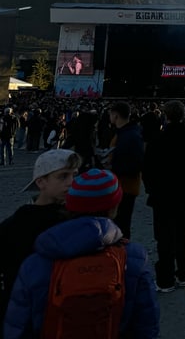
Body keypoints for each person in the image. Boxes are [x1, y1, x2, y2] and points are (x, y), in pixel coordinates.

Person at [3, 168, 160, 339]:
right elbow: (147, 325)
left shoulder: (36, 262)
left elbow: (17, 327)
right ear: (114, 207)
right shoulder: (134, 257)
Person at [0, 149, 81, 328]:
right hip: (28, 311)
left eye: (74, 175)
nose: (71, 183)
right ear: (41, 182)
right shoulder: (18, 224)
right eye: (63, 176)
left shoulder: (76, 219)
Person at [142, 100, 185, 293]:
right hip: (183, 194)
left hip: (161, 195)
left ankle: (165, 279)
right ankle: (184, 272)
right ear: (184, 115)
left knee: (163, 236)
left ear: (165, 115)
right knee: (183, 233)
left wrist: (151, 188)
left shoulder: (157, 139)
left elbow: (147, 167)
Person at [107, 100, 144, 239]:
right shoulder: (128, 132)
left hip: (125, 187)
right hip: (122, 185)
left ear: (116, 116)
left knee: (121, 224)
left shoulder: (130, 135)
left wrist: (112, 165)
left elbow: (136, 164)